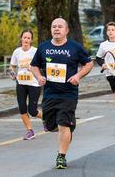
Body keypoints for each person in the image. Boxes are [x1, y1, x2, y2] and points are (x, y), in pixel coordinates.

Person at [30, 18, 93, 169]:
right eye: (54, 27)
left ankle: (61, 157)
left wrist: (78, 76)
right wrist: (38, 76)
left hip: (68, 94)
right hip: (49, 94)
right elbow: (34, 65)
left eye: (60, 27)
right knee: (51, 126)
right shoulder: (44, 47)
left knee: (63, 124)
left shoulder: (75, 47)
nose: (56, 29)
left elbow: (89, 63)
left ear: (66, 30)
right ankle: (68, 126)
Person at [10, 29, 43, 140]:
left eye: (29, 38)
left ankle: (47, 118)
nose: (26, 40)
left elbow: (42, 64)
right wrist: (12, 74)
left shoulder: (35, 51)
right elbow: (12, 66)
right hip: (21, 83)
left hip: (34, 84)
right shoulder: (17, 52)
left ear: (31, 40)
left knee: (32, 111)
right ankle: (30, 131)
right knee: (22, 108)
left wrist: (33, 67)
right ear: (21, 38)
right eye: (25, 37)